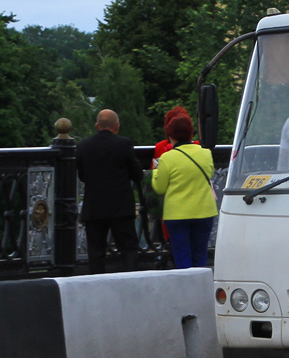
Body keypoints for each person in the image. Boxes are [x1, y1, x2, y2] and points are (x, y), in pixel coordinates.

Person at [76, 109, 143, 274]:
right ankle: (130, 284)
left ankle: (97, 287)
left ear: (97, 126)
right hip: (120, 207)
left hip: (94, 207)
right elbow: (137, 174)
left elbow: (82, 175)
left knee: (96, 252)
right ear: (117, 126)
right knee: (128, 248)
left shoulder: (83, 146)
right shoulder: (123, 144)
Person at [151, 112, 218, 269]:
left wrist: (155, 170)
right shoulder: (205, 153)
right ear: (190, 133)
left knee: (182, 256)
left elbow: (159, 187)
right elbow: (209, 174)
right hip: (204, 211)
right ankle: (200, 290)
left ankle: (186, 291)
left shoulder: (167, 158)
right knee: (200, 255)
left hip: (177, 214)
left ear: (171, 135)